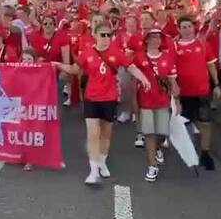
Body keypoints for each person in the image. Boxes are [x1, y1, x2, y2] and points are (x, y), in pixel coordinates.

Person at [55, 21, 151, 186]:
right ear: (95, 36)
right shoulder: (87, 53)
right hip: (92, 98)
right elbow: (75, 69)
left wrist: (144, 79)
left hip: (110, 99)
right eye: (103, 35)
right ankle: (93, 172)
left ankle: (102, 161)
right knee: (93, 134)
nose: (106, 38)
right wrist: (57, 65)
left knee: (105, 135)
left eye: (109, 35)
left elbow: (131, 67)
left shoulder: (117, 53)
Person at [174, 16, 221, 170]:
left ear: (193, 28)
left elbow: (211, 66)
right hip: (184, 93)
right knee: (186, 123)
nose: (187, 29)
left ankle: (205, 153)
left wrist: (217, 84)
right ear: (179, 29)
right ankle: (190, 151)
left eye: (189, 26)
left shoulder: (203, 44)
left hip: (202, 90)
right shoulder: (174, 47)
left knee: (205, 122)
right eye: (184, 27)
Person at [135, 29, 177, 182]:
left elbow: (173, 80)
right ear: (146, 40)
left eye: (158, 37)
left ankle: (158, 148)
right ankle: (152, 165)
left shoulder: (168, 57)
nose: (156, 40)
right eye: (152, 37)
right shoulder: (139, 57)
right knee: (149, 134)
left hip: (162, 101)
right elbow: (134, 78)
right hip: (145, 101)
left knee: (162, 133)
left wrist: (176, 99)